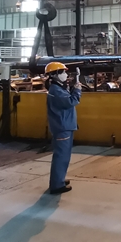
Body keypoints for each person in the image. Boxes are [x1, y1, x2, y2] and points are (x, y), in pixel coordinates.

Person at [45, 61, 81, 195]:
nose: (65, 75)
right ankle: (56, 185)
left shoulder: (58, 88)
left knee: (64, 156)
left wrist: (72, 88)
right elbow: (71, 101)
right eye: (62, 72)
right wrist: (77, 90)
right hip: (62, 127)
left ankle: (59, 179)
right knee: (61, 156)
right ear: (54, 75)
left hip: (65, 125)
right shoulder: (56, 91)